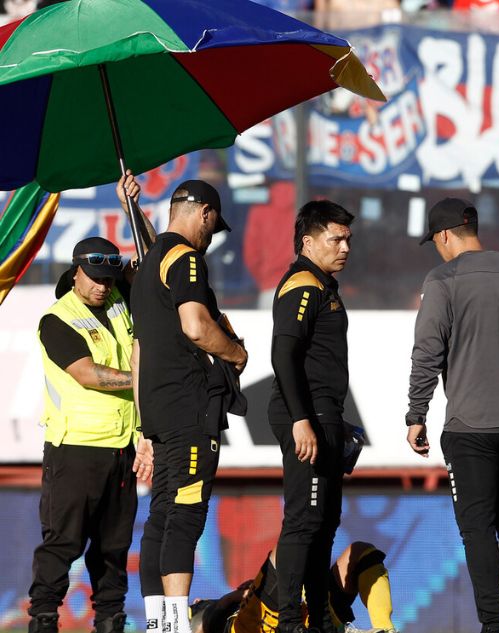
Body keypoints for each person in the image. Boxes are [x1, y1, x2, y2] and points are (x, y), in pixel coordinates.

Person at [406, 198, 499, 633]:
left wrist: (417, 412)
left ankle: (494, 625)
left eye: (435, 241)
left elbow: (428, 351)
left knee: (477, 527)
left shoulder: (443, 279)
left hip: (471, 425)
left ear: (445, 235)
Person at [131, 179, 248, 633]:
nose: (211, 237)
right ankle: (178, 626)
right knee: (186, 514)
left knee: (162, 517)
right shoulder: (185, 259)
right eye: (214, 227)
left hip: (160, 415)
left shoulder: (146, 270)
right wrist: (236, 353)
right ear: (204, 213)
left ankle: (158, 624)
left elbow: (138, 354)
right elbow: (197, 327)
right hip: (189, 410)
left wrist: (144, 426)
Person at [28, 218, 154, 633]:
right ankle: (44, 618)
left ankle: (111, 620)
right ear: (75, 272)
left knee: (114, 547)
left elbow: (156, 264)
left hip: (122, 448)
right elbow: (87, 374)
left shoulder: (119, 295)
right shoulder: (57, 319)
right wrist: (142, 380)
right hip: (76, 450)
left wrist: (131, 207)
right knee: (63, 542)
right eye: (96, 278)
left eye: (109, 278)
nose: (103, 286)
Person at [268, 200, 355, 633]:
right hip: (307, 416)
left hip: (324, 413)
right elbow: (283, 354)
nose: (344, 247)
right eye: (335, 238)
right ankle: (289, 623)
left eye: (347, 239)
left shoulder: (324, 284)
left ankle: (319, 618)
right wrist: (302, 419)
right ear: (307, 241)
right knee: (304, 518)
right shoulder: (303, 284)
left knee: (324, 520)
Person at [189, 541, 396, 633]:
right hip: (254, 626)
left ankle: (386, 629)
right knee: (285, 552)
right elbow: (200, 627)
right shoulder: (190, 613)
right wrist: (235, 596)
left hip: (306, 608)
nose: (196, 598)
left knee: (360, 552)